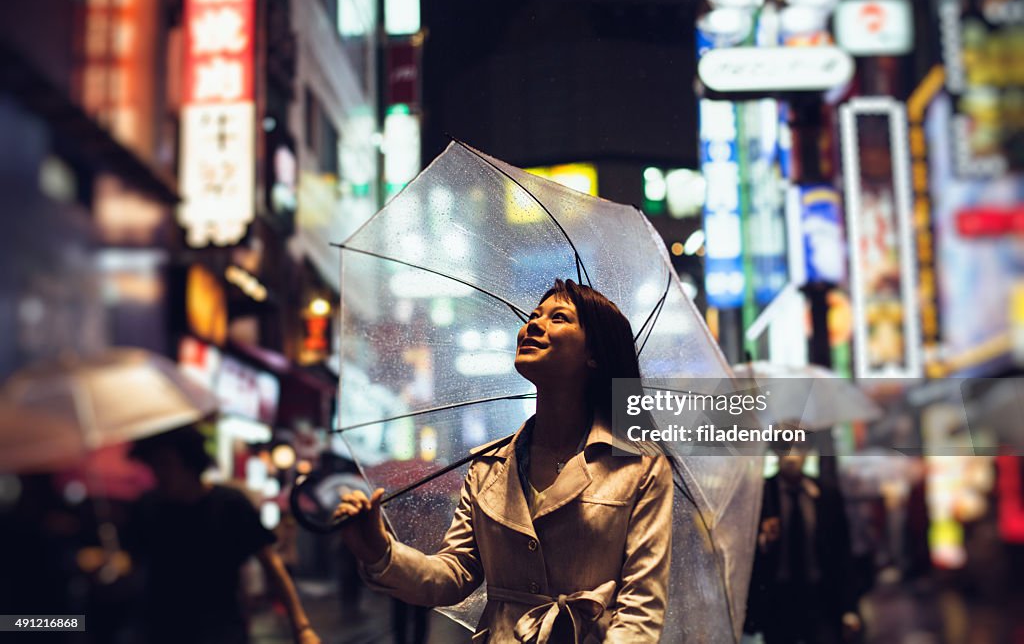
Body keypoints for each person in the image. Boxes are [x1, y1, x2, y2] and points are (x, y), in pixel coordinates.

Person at [335, 279, 675, 643]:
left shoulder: (640, 467)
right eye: (533, 316)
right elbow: (454, 574)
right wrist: (380, 552)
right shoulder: (488, 465)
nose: (533, 325)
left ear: (594, 354)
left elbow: (640, 609)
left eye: (558, 318)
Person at [126, 426, 321, 644]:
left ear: (190, 463)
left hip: (220, 631)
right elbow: (133, 566)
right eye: (154, 465)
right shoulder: (148, 507)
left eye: (165, 464)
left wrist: (301, 627)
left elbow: (271, 565)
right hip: (160, 630)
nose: (158, 474)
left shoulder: (229, 505)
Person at [745, 443, 861, 644]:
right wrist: (763, 540)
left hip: (820, 596)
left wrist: (849, 607)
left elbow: (842, 553)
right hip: (778, 599)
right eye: (784, 448)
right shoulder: (761, 495)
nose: (792, 456)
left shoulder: (825, 494)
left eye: (799, 447)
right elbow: (747, 556)